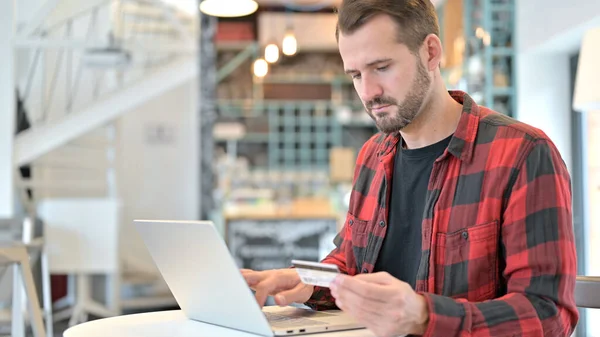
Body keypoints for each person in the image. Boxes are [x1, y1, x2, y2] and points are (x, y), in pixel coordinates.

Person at [241, 0, 579, 336]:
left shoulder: (523, 155)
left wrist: (422, 315)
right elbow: (351, 264)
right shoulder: (372, 156)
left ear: (431, 52)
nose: (369, 92)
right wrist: (311, 280)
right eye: (356, 75)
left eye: (382, 67)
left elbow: (548, 316)